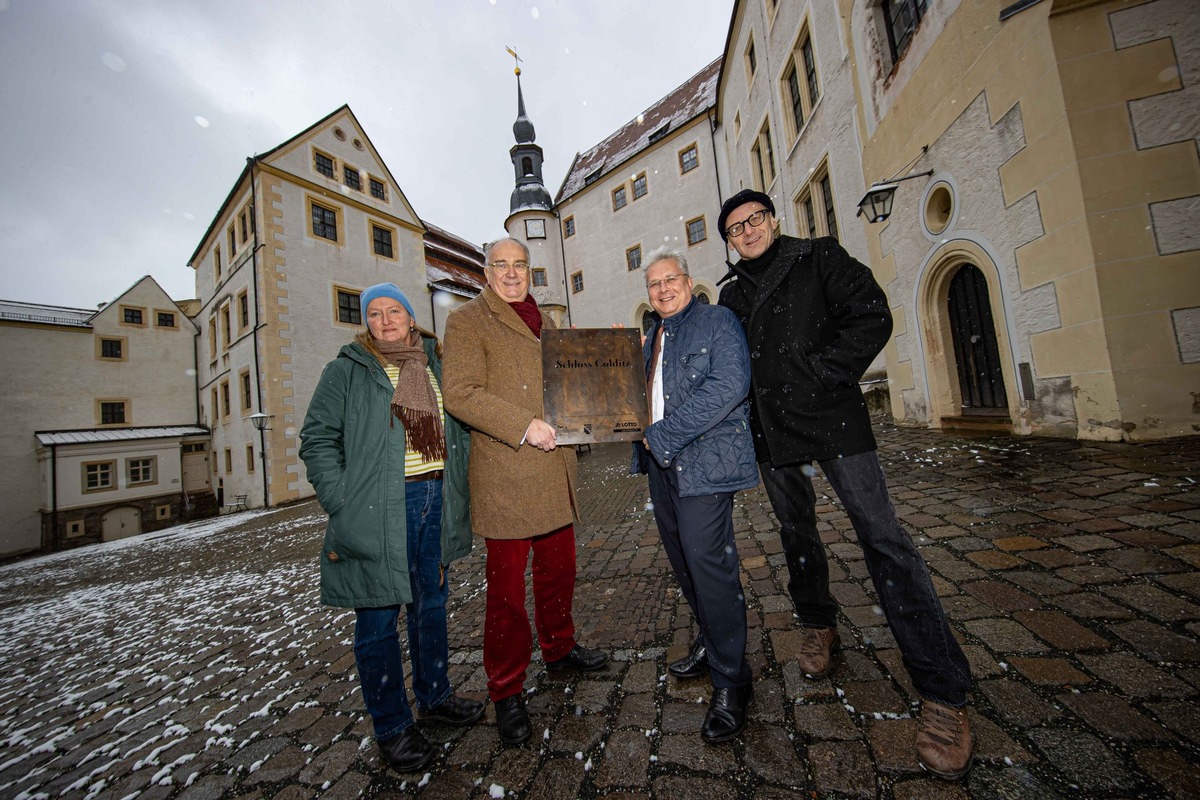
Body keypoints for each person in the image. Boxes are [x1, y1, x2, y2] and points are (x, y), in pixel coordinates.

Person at [715, 189, 974, 779]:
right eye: (736, 227)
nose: (748, 231)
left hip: (833, 420)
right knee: (796, 532)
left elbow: (872, 314)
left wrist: (824, 372)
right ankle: (817, 623)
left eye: (755, 219)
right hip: (775, 435)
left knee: (883, 538)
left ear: (773, 221)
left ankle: (943, 689)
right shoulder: (731, 296)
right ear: (729, 240)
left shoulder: (818, 258)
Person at [299, 283, 484, 773]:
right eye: (375, 313)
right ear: (366, 322)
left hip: (435, 496)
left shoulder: (435, 364)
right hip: (378, 506)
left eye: (394, 310)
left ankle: (435, 695)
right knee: (378, 618)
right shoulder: (346, 370)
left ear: (410, 316)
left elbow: (461, 427)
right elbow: (317, 438)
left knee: (431, 604)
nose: (385, 320)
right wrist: (342, 502)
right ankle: (392, 726)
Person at [441, 238, 609, 746]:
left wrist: (602, 372)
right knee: (507, 597)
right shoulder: (468, 321)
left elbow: (566, 385)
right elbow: (461, 394)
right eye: (502, 265)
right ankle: (506, 688)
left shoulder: (546, 322)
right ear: (485, 271)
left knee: (559, 573)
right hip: (509, 472)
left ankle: (559, 649)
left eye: (520, 265)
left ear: (529, 271)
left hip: (555, 469)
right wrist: (522, 425)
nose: (512, 274)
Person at [631, 247, 758, 743]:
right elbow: (637, 398)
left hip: (706, 464)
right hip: (662, 470)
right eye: (653, 284)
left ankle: (733, 680)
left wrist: (664, 434)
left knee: (710, 565)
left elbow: (730, 384)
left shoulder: (718, 321)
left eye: (670, 279)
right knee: (684, 561)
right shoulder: (654, 337)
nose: (663, 289)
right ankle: (711, 641)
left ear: (687, 280)